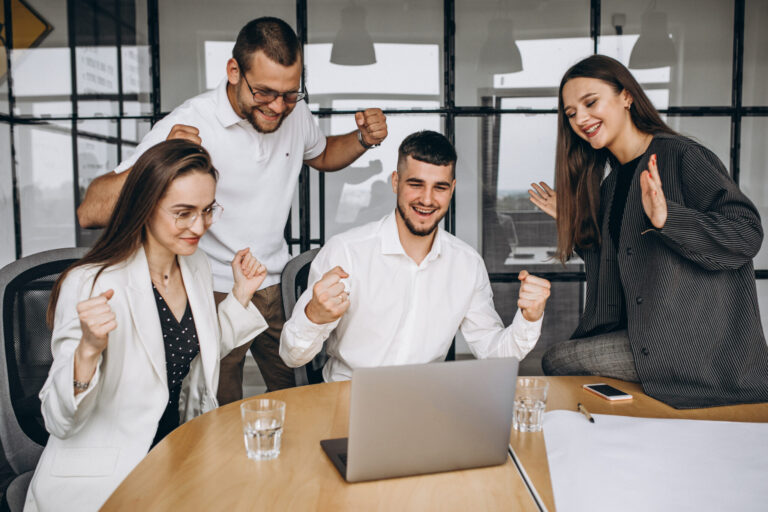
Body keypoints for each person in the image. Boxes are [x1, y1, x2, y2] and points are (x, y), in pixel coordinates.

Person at [75, 17, 388, 401]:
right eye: (265, 92)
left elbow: (321, 154)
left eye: (290, 94)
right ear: (234, 71)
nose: (278, 106)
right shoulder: (190, 121)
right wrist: (158, 161)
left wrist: (362, 139)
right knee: (217, 405)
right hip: (212, 289)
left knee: (299, 395)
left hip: (275, 284)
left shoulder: (293, 113)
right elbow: (91, 212)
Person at [25, 140, 268, 512]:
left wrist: (241, 295)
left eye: (207, 210)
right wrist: (87, 351)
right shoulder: (90, 283)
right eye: (183, 213)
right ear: (145, 205)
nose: (199, 226)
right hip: (110, 474)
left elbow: (193, 352)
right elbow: (59, 420)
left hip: (175, 452)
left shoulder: (195, 264)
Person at [527, 55, 768, 408]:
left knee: (558, 360)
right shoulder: (611, 186)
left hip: (693, 346)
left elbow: (746, 235)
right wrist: (575, 224)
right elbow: (615, 266)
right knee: (568, 365)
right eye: (571, 113)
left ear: (626, 96)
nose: (580, 119)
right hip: (647, 333)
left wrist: (669, 219)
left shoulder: (683, 156)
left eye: (590, 103)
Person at [280, 131, 551, 381]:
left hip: (424, 399)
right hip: (348, 393)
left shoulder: (467, 264)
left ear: (452, 189)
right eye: (416, 184)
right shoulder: (346, 252)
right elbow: (292, 356)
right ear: (396, 182)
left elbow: (494, 355)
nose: (427, 199)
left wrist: (529, 319)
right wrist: (314, 315)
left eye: (440, 187)